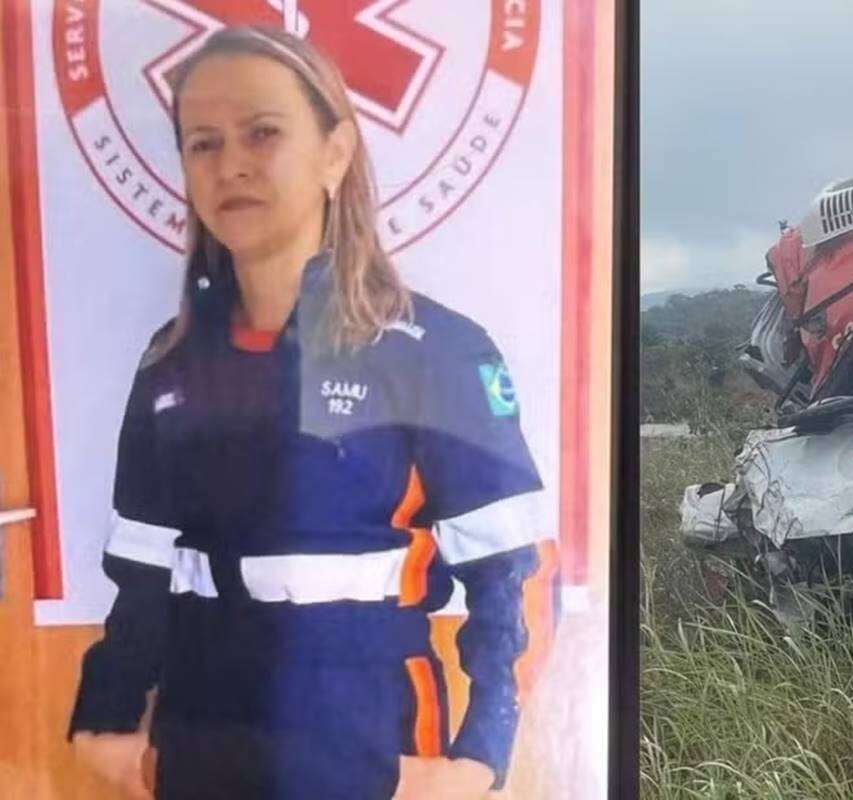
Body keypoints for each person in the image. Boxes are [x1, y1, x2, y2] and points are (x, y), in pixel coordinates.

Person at [67, 26, 549, 800]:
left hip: (368, 736)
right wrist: (107, 718)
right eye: (203, 143)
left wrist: (478, 758)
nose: (232, 165)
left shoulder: (437, 352)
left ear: (335, 153)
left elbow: (512, 575)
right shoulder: (172, 359)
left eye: (263, 132)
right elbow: (143, 567)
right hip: (199, 736)